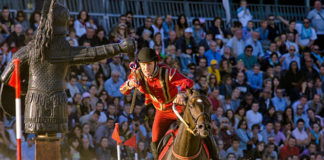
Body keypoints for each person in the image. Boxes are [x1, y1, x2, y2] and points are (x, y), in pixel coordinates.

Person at [120, 47, 217, 159]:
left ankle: (215, 156)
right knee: (155, 140)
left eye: (149, 64)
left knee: (203, 129)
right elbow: (123, 90)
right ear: (140, 65)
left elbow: (188, 82)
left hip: (179, 109)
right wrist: (130, 84)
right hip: (161, 113)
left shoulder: (168, 73)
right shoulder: (137, 75)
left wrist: (181, 92)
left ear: (155, 63)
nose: (146, 68)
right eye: (143, 65)